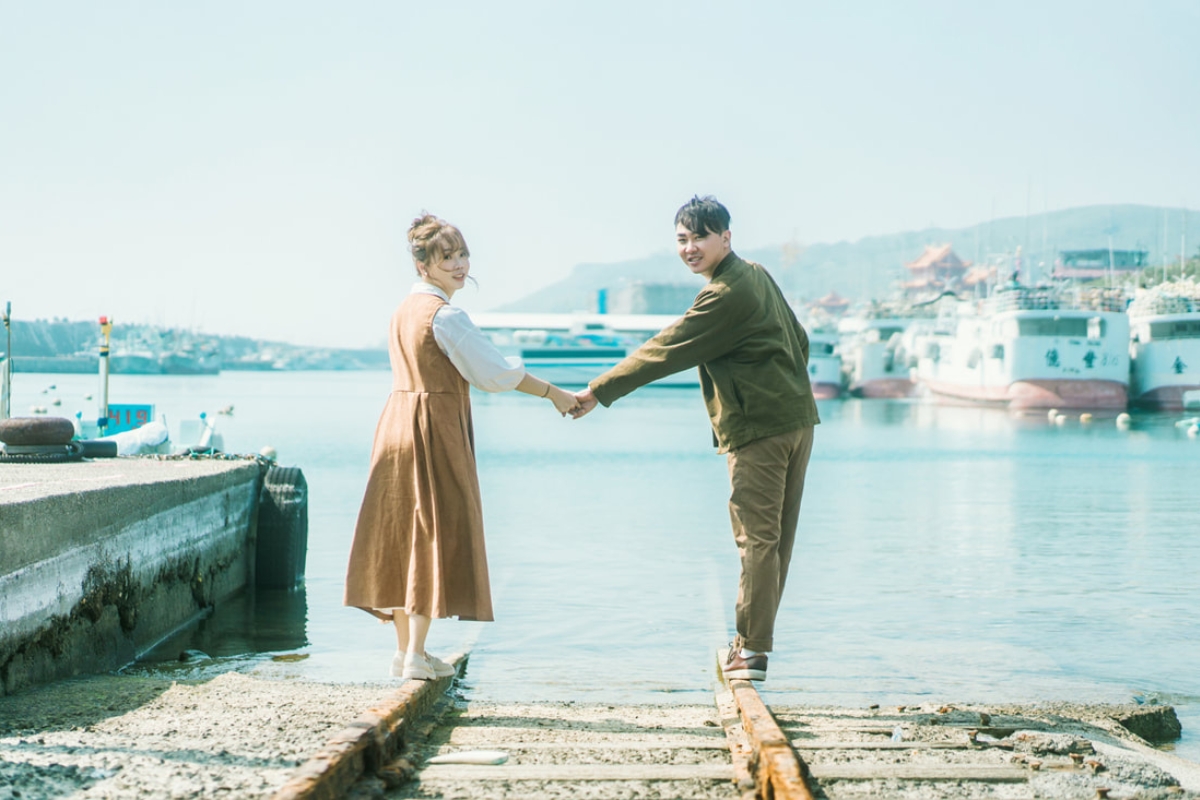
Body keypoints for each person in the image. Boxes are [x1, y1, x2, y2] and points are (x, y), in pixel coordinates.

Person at [572, 195, 819, 682]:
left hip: (760, 431)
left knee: (756, 541)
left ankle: (751, 651)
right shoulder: (757, 273)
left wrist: (598, 391)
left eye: (700, 237)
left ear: (726, 237)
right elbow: (800, 339)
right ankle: (753, 644)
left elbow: (666, 349)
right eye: (682, 240)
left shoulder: (724, 294)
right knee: (775, 543)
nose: (690, 248)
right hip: (796, 421)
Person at [345, 213, 581, 680]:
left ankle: (406, 653)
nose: (458, 265)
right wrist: (555, 393)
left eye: (462, 254)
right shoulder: (445, 315)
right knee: (434, 530)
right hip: (433, 425)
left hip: (395, 421)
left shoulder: (402, 311)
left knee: (402, 532)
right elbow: (494, 373)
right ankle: (414, 655)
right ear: (423, 266)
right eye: (446, 257)